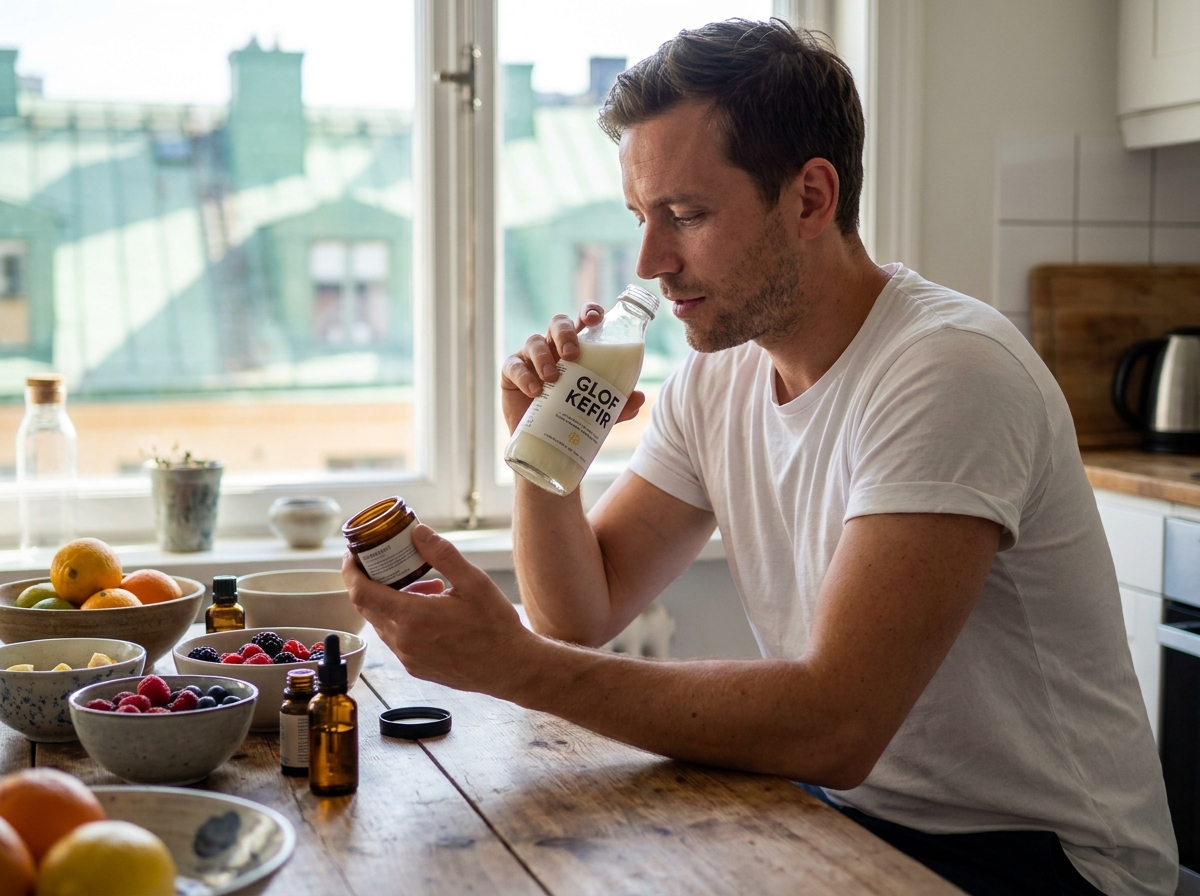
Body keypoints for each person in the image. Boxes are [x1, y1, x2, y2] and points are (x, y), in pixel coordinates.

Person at [344, 18, 1176, 896]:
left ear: (812, 198)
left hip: (1045, 861)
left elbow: (836, 725)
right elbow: (577, 614)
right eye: (640, 218)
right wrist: (544, 454)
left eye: (686, 216)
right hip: (844, 812)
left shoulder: (949, 369)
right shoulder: (721, 377)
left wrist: (514, 668)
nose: (650, 263)